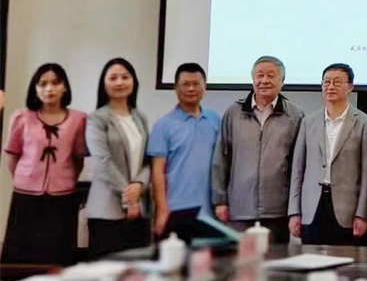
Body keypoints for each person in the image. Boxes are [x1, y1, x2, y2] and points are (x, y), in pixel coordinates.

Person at [1, 63, 88, 265]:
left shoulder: (78, 119)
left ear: (65, 87)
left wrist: (66, 179)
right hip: (26, 196)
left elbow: (78, 158)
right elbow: (13, 156)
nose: (49, 88)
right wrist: (25, 178)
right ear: (35, 88)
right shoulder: (22, 117)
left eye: (55, 83)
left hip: (62, 196)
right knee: (23, 254)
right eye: (42, 84)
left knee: (57, 253)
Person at [212, 55, 305, 243]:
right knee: (241, 259)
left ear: (282, 81)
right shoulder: (233, 113)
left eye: (271, 75)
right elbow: (221, 159)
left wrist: (295, 209)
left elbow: (299, 166)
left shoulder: (295, 115)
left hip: (278, 210)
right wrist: (220, 201)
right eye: (260, 75)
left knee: (276, 259)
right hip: (239, 209)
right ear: (253, 79)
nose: (264, 80)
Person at [288, 63, 367, 245]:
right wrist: (294, 212)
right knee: (311, 259)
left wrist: (362, 214)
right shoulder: (308, 122)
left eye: (337, 82)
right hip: (312, 206)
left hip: (347, 209)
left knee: (346, 261)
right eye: (326, 82)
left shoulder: (365, 123)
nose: (330, 86)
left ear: (350, 87)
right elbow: (297, 170)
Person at [85, 58, 151, 258]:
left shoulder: (140, 117)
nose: (120, 82)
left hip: (139, 208)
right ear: (104, 84)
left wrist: (139, 185)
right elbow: (102, 162)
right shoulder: (96, 118)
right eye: (113, 78)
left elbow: (147, 160)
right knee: (107, 272)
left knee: (136, 271)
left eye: (125, 77)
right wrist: (129, 198)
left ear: (134, 82)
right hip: (107, 210)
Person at [147, 63, 220, 239]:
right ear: (175, 88)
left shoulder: (215, 120)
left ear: (205, 87)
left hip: (210, 213)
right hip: (176, 211)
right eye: (185, 84)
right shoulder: (163, 125)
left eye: (196, 84)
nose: (191, 89)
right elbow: (157, 172)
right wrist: (162, 210)